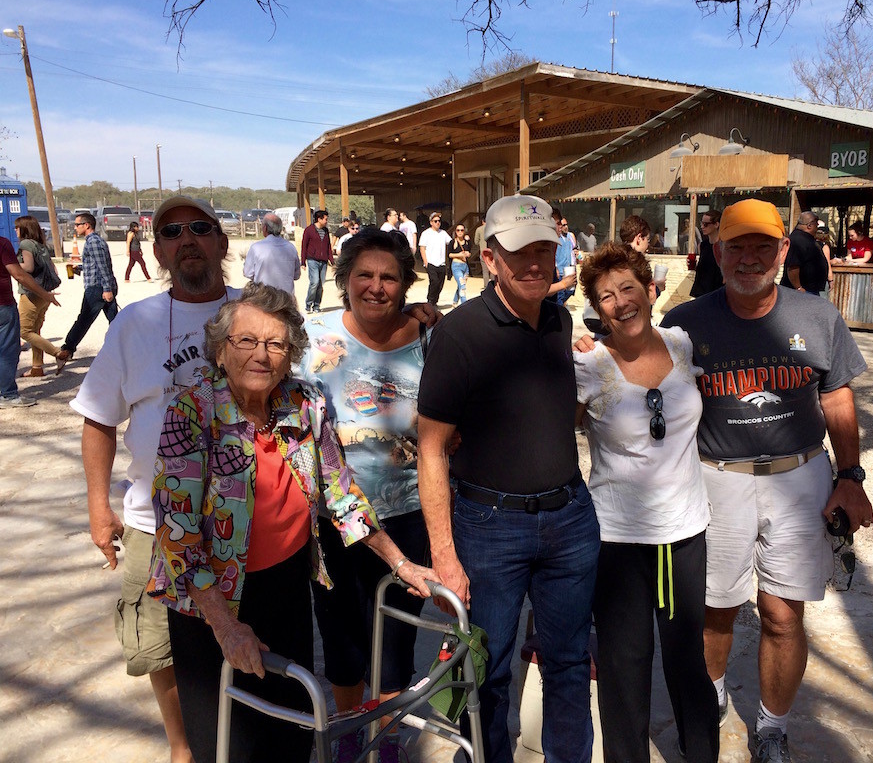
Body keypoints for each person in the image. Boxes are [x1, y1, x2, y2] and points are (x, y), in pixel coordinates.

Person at [148, 282, 439, 763]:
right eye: (246, 341)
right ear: (221, 351)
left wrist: (400, 562)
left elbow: (341, 492)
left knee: (290, 732)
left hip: (284, 586)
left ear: (291, 355)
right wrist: (225, 626)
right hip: (208, 598)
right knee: (227, 739)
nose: (261, 355)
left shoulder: (304, 403)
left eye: (276, 344)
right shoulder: (191, 412)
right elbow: (177, 534)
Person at [660, 199, 873, 763]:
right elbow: (648, 391)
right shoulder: (685, 322)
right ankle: (709, 712)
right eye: (737, 246)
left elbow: (837, 395)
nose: (749, 258)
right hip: (715, 478)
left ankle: (772, 727)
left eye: (762, 246)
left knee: (783, 613)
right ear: (717, 250)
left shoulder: (816, 317)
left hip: (799, 476)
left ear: (783, 250)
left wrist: (850, 476)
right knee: (716, 609)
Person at [417, 194, 600, 763]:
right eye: (519, 251)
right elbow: (430, 449)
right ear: (489, 258)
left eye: (544, 249)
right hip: (490, 527)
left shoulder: (559, 318)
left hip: (570, 519)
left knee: (570, 663)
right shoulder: (460, 334)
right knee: (487, 671)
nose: (534, 262)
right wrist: (444, 554)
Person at [70, 196, 233, 763]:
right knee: (159, 646)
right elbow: (97, 418)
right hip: (152, 521)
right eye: (170, 232)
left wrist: (416, 320)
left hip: (245, 521)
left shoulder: (259, 310)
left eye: (199, 228)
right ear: (158, 250)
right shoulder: (135, 324)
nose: (186, 238)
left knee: (246, 639)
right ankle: (183, 747)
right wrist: (98, 507)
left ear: (222, 241)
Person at [575, 243, 719, 763]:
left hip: (683, 533)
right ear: (596, 307)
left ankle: (701, 753)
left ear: (650, 290)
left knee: (687, 661)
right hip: (616, 539)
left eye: (628, 289)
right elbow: (549, 425)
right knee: (623, 665)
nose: (620, 303)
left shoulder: (681, 344)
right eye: (605, 296)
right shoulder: (588, 365)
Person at [300, 228, 435, 763]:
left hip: (408, 510)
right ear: (345, 279)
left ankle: (389, 732)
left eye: (389, 277)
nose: (376, 287)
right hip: (333, 513)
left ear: (405, 285)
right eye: (365, 275)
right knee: (342, 634)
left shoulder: (430, 337)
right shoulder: (314, 335)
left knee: (399, 636)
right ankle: (352, 729)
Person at [1, 234, 60, 408]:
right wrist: (45, 294)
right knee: (7, 351)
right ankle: (7, 394)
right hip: (2, 305)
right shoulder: (2, 244)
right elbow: (18, 274)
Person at [15, 215, 69, 378]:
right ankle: (37, 366)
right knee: (36, 330)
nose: (15, 231)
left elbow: (28, 267)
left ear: (24, 229)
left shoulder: (25, 244)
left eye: (17, 228)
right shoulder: (41, 245)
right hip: (44, 294)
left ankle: (58, 353)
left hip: (31, 293)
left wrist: (10, 264)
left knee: (24, 331)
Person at [61, 212, 118, 358]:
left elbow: (103, 266)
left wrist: (107, 289)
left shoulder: (93, 242)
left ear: (87, 225)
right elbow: (94, 264)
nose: (75, 227)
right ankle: (124, 347)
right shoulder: (93, 241)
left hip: (98, 288)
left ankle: (67, 349)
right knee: (116, 321)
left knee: (84, 319)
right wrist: (79, 268)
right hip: (101, 286)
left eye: (77, 224)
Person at [243, 213, 302, 296]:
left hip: (263, 297)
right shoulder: (291, 247)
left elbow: (247, 273)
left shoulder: (256, 247)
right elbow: (296, 275)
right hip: (286, 298)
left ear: (265, 228)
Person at [780, 210, 830, 296]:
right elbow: (793, 267)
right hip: (800, 292)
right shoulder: (797, 240)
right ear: (809, 225)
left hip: (810, 290)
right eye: (816, 222)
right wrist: (798, 287)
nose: (818, 225)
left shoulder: (807, 238)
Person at [301, 209, 332, 313]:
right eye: (325, 219)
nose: (327, 221)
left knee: (320, 284)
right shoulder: (309, 230)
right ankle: (308, 304)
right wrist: (303, 261)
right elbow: (304, 246)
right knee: (314, 282)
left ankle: (316, 305)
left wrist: (331, 260)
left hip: (323, 261)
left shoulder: (326, 231)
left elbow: (328, 246)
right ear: (319, 219)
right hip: (312, 260)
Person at [418, 212, 451, 306]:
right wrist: (426, 262)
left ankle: (435, 301)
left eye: (439, 221)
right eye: (435, 221)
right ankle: (430, 300)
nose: (438, 223)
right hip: (430, 262)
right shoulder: (426, 233)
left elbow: (451, 243)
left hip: (441, 263)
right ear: (431, 222)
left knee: (440, 284)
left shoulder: (443, 233)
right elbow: (422, 248)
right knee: (434, 281)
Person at [690, 210, 723, 298]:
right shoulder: (703, 245)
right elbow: (704, 269)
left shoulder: (724, 246)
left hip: (718, 290)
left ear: (716, 225)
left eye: (706, 224)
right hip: (701, 291)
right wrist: (693, 266)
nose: (702, 227)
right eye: (701, 223)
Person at [548, 209, 577, 305]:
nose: (561, 226)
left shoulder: (569, 237)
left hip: (568, 270)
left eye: (563, 224)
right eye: (558, 223)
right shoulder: (545, 247)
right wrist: (563, 284)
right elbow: (538, 291)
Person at [447, 223, 472, 306]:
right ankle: (464, 305)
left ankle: (455, 302)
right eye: (458, 230)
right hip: (456, 265)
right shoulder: (453, 242)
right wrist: (459, 255)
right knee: (462, 285)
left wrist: (468, 254)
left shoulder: (467, 242)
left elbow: (470, 251)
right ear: (455, 232)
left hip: (465, 266)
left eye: (462, 230)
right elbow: (449, 254)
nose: (460, 232)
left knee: (461, 285)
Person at [815, 222, 836, 292]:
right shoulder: (824, 247)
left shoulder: (809, 243)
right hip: (820, 279)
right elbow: (827, 263)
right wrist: (830, 279)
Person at [473, 219, 491, 285]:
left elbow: (476, 241)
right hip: (492, 251)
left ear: (482, 221)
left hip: (483, 251)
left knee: (485, 271)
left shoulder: (479, 229)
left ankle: (486, 286)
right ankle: (493, 285)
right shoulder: (492, 228)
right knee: (493, 270)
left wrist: (481, 243)